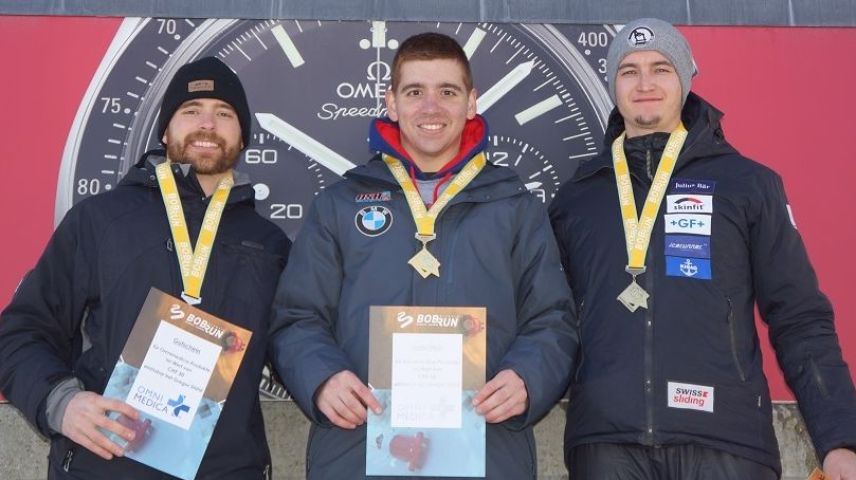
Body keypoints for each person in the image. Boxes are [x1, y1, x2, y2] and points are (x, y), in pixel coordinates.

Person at [549, 17, 856, 479]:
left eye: (661, 68)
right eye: (629, 70)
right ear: (613, 83)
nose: (645, 83)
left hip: (727, 443)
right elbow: (548, 318)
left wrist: (839, 439)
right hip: (607, 446)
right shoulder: (578, 196)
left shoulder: (748, 184)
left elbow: (799, 316)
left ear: (687, 78)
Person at [268, 32, 577, 479]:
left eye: (447, 92)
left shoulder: (516, 208)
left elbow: (553, 318)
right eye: (415, 92)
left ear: (471, 102)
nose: (430, 108)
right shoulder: (339, 205)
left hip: (487, 454)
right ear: (391, 103)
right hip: (357, 452)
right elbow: (297, 315)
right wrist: (322, 379)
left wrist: (528, 379)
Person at [0, 57, 291, 479]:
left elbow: (298, 342)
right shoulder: (99, 220)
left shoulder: (270, 243)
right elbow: (21, 332)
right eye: (191, 111)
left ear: (242, 135)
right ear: (164, 131)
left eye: (224, 113)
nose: (207, 124)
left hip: (227, 469)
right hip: (105, 465)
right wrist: (61, 404)